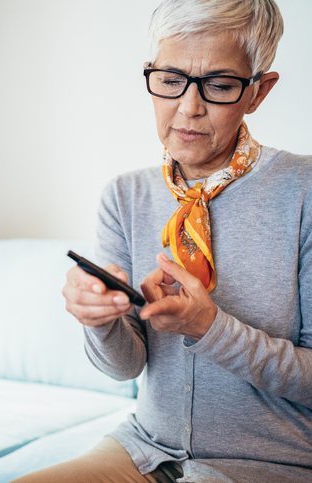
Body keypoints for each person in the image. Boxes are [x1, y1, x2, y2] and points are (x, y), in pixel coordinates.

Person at [16, 0, 311, 481]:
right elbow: (124, 367)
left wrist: (209, 328)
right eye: (171, 81)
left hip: (273, 462)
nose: (188, 108)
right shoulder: (124, 196)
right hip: (143, 447)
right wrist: (100, 320)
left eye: (218, 85)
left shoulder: (305, 192)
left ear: (258, 92)